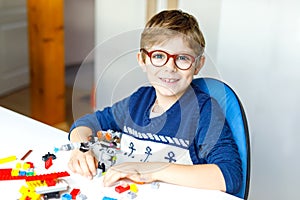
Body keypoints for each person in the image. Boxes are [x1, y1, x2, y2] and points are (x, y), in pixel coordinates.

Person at [68, 9, 242, 196]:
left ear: (198, 65)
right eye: (159, 56)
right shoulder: (138, 101)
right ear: (143, 60)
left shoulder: (203, 112)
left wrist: (152, 170)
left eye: (182, 58)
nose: (170, 67)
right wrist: (82, 148)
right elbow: (84, 124)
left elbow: (229, 176)